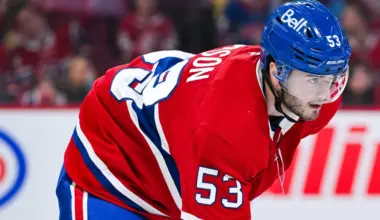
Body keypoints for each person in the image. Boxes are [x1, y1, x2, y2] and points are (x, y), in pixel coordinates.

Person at [56, 1, 351, 219]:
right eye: (314, 79)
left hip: (171, 131)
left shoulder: (311, 97)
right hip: (113, 160)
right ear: (276, 72)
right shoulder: (224, 131)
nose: (325, 94)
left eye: (334, 78)